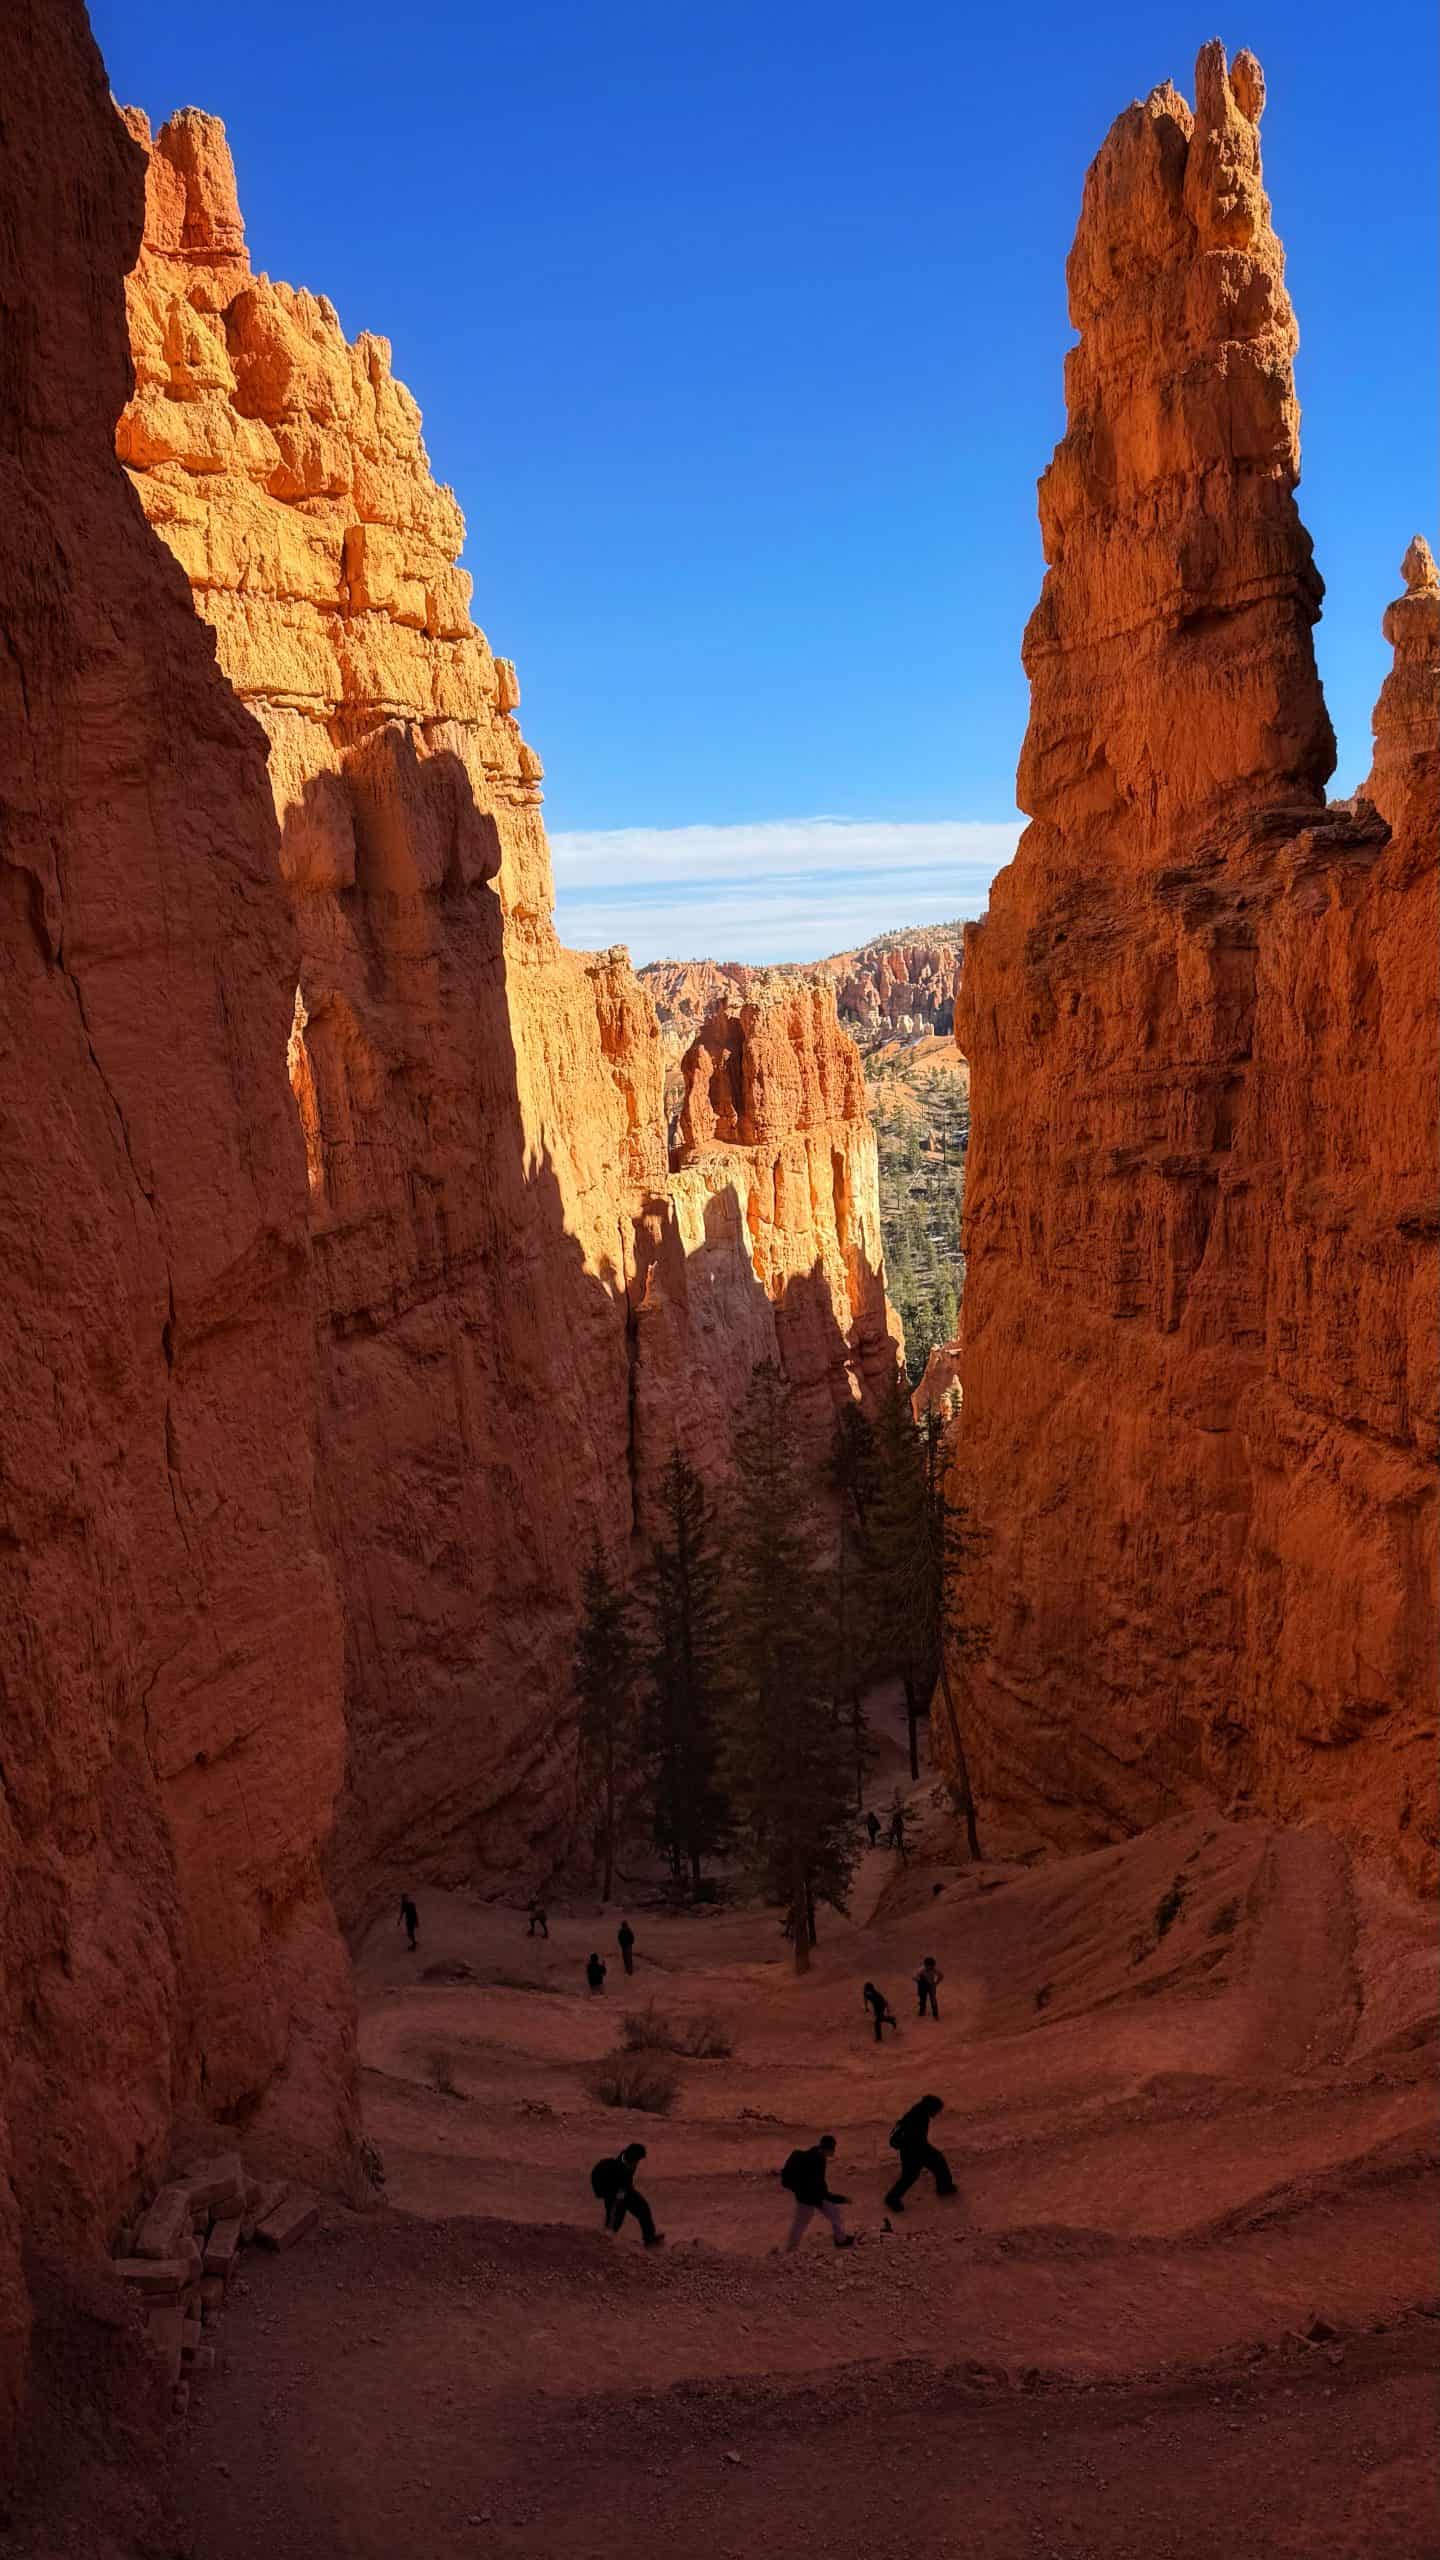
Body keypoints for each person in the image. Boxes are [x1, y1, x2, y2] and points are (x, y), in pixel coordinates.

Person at [883, 2094, 957, 2213]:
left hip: (915, 2148)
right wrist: (922, 2153)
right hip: (914, 2149)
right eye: (937, 2110)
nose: (937, 2113)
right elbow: (915, 2138)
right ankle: (892, 2199)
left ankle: (944, 2187)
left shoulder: (919, 2112)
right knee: (912, 2175)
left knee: (935, 2164)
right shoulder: (919, 2116)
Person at [780, 2134, 854, 2251]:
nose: (834, 2152)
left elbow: (820, 2187)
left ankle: (840, 2239)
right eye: (833, 2149)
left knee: (834, 2213)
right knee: (800, 2224)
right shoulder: (816, 2160)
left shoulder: (816, 2155)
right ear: (829, 2149)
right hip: (808, 2199)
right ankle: (790, 2250)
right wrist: (842, 2199)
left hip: (811, 2197)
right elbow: (822, 2190)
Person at [590, 2141, 664, 2247]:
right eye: (638, 2159)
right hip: (611, 2190)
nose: (638, 2162)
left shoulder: (628, 2162)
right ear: (632, 2156)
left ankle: (649, 2239)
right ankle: (605, 2241)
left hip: (623, 2190)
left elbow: (625, 2184)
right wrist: (617, 2200)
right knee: (616, 2216)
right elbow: (617, 2191)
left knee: (642, 2208)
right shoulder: (617, 2167)